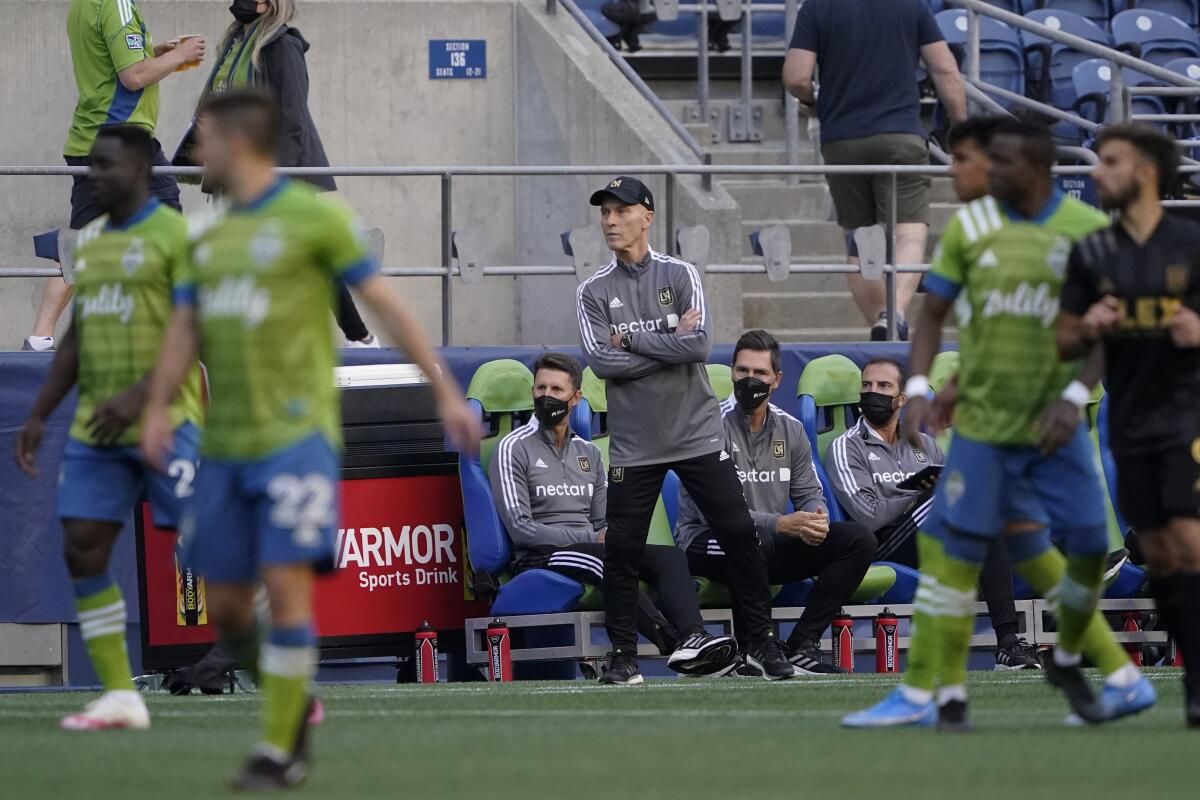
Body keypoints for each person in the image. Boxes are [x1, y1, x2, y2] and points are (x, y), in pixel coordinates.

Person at [138, 90, 479, 789]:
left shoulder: (315, 217)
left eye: (201, 137)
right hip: (223, 447)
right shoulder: (203, 236)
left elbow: (385, 302)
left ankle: (278, 748)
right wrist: (157, 407)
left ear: (238, 142)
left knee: (286, 591)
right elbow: (184, 327)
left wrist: (442, 387)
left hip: (294, 440)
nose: (193, 155)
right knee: (230, 607)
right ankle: (291, 696)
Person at [844, 118, 1153, 731]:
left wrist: (1071, 395)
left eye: (973, 160)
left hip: (1052, 425)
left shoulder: (1087, 233)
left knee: (1088, 546)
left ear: (1025, 166)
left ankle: (1097, 665)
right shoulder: (972, 229)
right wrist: (922, 387)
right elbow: (933, 314)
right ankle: (926, 690)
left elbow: (1105, 331)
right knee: (952, 546)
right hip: (984, 429)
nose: (962, 172)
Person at [14, 125, 203, 729]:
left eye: (107, 166)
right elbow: (78, 336)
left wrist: (141, 396)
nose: (94, 176)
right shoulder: (90, 242)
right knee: (83, 545)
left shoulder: (177, 238)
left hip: (167, 423)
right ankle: (121, 694)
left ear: (145, 172)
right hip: (100, 430)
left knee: (211, 553)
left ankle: (283, 672)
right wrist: (40, 411)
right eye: (90, 166)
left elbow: (193, 330)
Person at [576, 176, 792, 684]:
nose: (610, 220)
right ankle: (625, 657)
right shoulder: (592, 291)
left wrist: (631, 340)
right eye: (605, 212)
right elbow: (602, 365)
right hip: (635, 444)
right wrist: (665, 341)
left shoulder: (682, 273)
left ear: (647, 216)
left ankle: (760, 644)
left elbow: (699, 348)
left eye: (621, 211)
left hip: (697, 434)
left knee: (740, 535)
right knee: (623, 551)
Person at [1058, 123, 1200, 726]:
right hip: (1130, 422)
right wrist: (1087, 326)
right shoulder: (1091, 253)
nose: (1095, 173)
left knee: (1191, 543)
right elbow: (1066, 340)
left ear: (1143, 171)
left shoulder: (1191, 244)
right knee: (1161, 553)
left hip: (1189, 418)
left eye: (1109, 162)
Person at [489, 352, 737, 678]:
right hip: (540, 556)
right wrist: (594, 538)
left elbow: (603, 521)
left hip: (595, 547)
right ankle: (672, 641)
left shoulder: (589, 453)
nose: (547, 397)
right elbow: (522, 529)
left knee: (670, 557)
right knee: (609, 559)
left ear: (575, 398)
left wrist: (605, 536)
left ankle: (694, 635)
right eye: (541, 389)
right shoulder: (513, 448)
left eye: (557, 390)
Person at [175, 0, 375, 348]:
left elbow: (293, 115)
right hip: (236, 172)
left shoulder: (281, 45)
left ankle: (359, 336)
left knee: (310, 256)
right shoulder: (236, 43)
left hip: (275, 173)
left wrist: (275, 179)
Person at [675, 330, 876, 674]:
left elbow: (809, 492)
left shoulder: (792, 429)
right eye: (742, 371)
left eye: (760, 373)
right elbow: (715, 513)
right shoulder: (709, 427)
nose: (749, 380)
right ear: (733, 372)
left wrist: (817, 517)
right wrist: (781, 523)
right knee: (749, 537)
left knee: (858, 540)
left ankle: (802, 644)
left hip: (765, 544)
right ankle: (760, 644)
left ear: (777, 380)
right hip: (704, 542)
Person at [826, 357, 1039, 671]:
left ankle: (1008, 644)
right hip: (885, 546)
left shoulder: (925, 444)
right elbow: (868, 518)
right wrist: (919, 493)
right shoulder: (846, 446)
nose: (873, 392)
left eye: (884, 386)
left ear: (902, 400)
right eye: (867, 385)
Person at [26, 0, 207, 352]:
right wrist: (181, 53)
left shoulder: (83, 4)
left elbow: (113, 66)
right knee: (168, 222)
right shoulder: (117, 3)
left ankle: (39, 337)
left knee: (82, 240)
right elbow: (134, 76)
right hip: (124, 138)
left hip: (91, 138)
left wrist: (157, 53)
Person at [783, 0, 966, 341]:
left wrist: (812, 102)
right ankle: (893, 314)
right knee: (908, 232)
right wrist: (961, 128)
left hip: (842, 139)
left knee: (859, 238)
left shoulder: (817, 7)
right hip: (901, 137)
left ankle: (882, 324)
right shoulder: (912, 6)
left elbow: (796, 77)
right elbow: (945, 70)